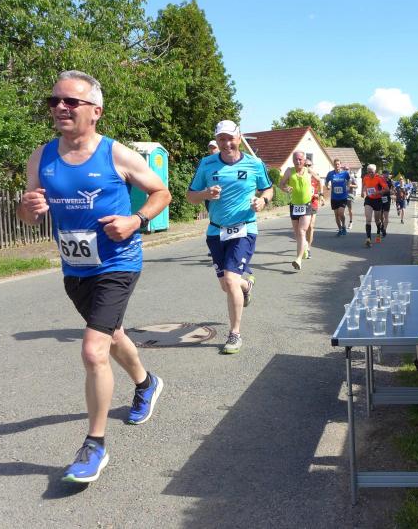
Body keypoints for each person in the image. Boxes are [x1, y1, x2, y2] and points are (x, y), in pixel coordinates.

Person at [17, 70, 171, 483]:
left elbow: (161, 192)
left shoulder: (116, 154)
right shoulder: (41, 157)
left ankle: (94, 445)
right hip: (75, 268)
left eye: (71, 101)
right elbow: (28, 215)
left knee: (92, 349)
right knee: (111, 334)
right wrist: (28, 209)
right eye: (54, 101)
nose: (60, 108)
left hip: (118, 263)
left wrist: (136, 220)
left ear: (96, 111)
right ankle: (146, 383)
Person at [187, 120, 273, 354]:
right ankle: (247, 285)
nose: (226, 144)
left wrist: (262, 201)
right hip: (216, 230)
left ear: (239, 138)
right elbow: (190, 196)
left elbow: (268, 188)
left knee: (230, 279)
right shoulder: (207, 164)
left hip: (244, 228)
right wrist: (206, 193)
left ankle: (234, 334)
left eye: (230, 138)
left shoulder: (254, 163)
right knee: (227, 285)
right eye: (221, 139)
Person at [279, 151, 321, 268]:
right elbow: (281, 184)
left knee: (302, 231)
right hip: (294, 206)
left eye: (300, 159)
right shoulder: (289, 171)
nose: (298, 161)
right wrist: (285, 188)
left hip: (306, 205)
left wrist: (318, 193)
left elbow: (319, 180)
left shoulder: (309, 171)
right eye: (296, 159)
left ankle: (298, 259)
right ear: (293, 160)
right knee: (297, 233)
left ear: (304, 160)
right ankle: (305, 247)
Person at [361, 164, 388, 247]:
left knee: (377, 220)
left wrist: (378, 192)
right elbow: (364, 185)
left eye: (372, 172)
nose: (370, 174)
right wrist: (362, 192)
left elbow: (386, 189)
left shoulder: (379, 178)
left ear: (375, 171)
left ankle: (378, 232)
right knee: (368, 219)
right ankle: (368, 239)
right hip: (369, 200)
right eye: (368, 172)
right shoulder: (365, 177)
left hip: (377, 200)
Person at [324, 158, 352, 236]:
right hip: (334, 198)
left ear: (340, 165)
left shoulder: (345, 173)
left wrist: (348, 186)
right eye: (335, 164)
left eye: (338, 164)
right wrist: (327, 186)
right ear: (334, 165)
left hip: (343, 197)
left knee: (341, 213)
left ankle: (344, 226)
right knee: (336, 215)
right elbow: (326, 181)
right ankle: (340, 229)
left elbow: (349, 180)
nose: (337, 166)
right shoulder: (330, 174)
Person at [304, 159, 323, 259]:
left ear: (312, 166)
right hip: (302, 203)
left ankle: (308, 248)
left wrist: (319, 195)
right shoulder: (300, 175)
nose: (307, 167)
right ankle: (303, 244)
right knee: (304, 227)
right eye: (305, 165)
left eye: (309, 165)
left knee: (311, 226)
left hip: (313, 202)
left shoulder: (315, 176)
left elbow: (320, 184)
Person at [379, 170, 394, 237]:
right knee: (380, 215)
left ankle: (384, 230)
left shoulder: (390, 181)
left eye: (387, 174)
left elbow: (393, 190)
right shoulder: (379, 180)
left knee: (386, 215)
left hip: (387, 199)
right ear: (382, 174)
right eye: (384, 174)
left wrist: (391, 192)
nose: (386, 175)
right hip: (380, 198)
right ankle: (382, 224)